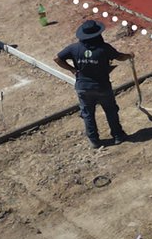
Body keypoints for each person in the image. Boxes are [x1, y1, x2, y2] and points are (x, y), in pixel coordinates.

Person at [55, 20, 135, 148]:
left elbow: (58, 59)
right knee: (110, 111)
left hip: (83, 87)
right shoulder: (104, 48)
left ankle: (94, 140)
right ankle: (118, 136)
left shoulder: (74, 48)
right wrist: (129, 55)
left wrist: (72, 69)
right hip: (102, 86)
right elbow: (120, 57)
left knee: (87, 114)